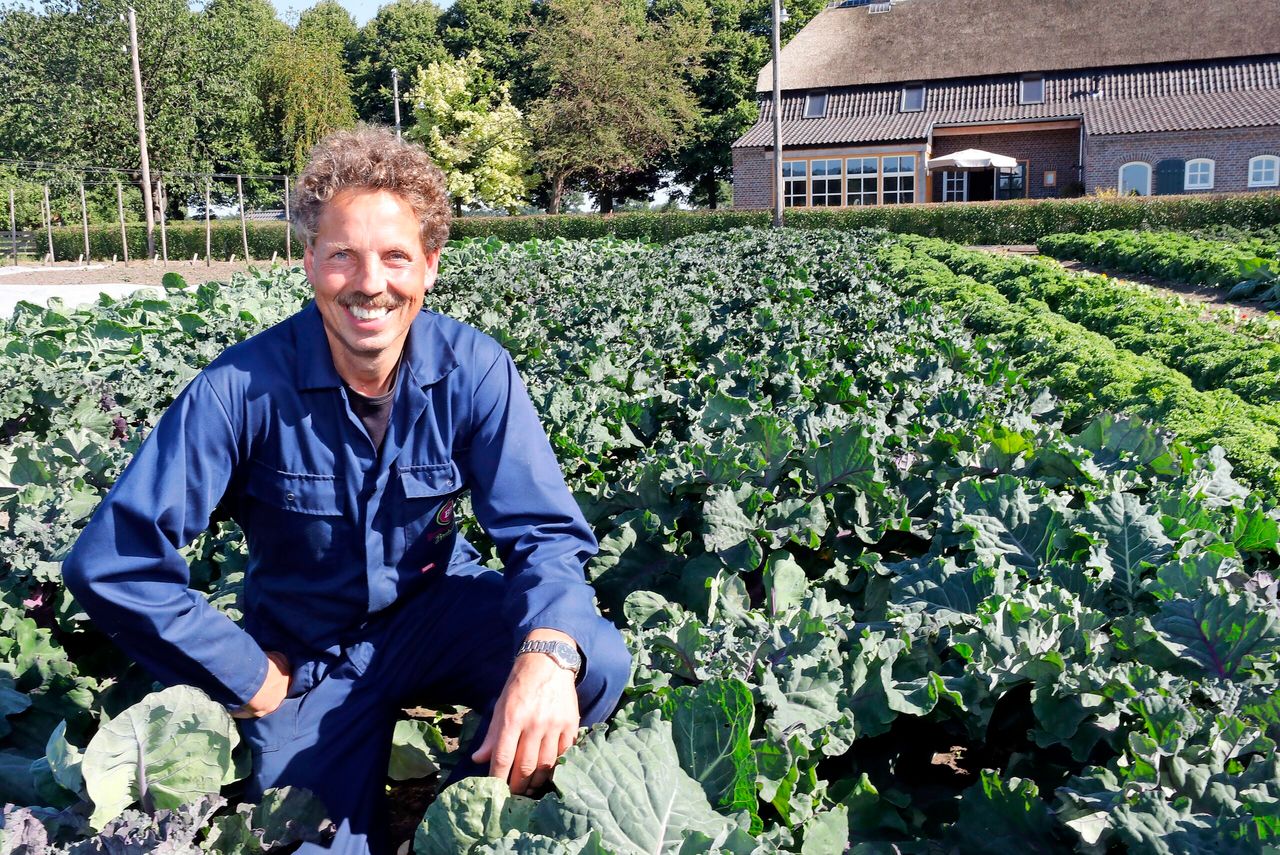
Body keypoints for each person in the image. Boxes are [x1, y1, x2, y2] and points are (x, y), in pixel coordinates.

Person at [62, 126, 631, 855]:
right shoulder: (240, 390)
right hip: (306, 649)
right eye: (343, 256)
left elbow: (545, 534)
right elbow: (112, 560)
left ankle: (468, 811)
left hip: (437, 610)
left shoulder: (475, 371)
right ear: (309, 263)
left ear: (428, 266)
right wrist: (244, 675)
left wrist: (547, 652)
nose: (370, 281)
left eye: (396, 256)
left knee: (591, 663)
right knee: (313, 841)